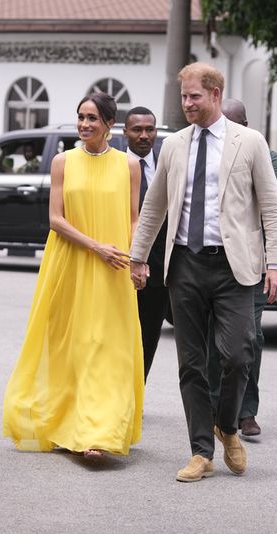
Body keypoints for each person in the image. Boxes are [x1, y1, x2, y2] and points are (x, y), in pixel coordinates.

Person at [130, 63, 277, 482]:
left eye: (194, 96)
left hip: (235, 266)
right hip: (185, 265)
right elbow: (154, 206)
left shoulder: (249, 142)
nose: (187, 104)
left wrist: (276, 263)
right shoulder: (174, 145)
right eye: (183, 97)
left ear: (215, 94)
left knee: (238, 354)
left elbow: (271, 206)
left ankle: (228, 425)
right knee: (191, 363)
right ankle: (201, 450)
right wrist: (138, 257)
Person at [2, 92, 144, 458]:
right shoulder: (63, 162)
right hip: (70, 261)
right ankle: (66, 424)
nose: (84, 124)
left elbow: (133, 217)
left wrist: (136, 259)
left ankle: (99, 433)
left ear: (110, 124)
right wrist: (96, 247)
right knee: (70, 343)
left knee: (107, 346)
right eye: (81, 116)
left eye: (93, 118)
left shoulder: (129, 165)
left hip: (115, 265)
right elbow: (55, 219)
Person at [206, 97, 277, 437]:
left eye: (233, 123)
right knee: (213, 342)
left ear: (246, 126)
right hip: (211, 265)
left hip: (249, 266)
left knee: (247, 342)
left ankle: (246, 411)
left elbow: (273, 211)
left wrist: (274, 264)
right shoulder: (205, 151)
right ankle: (216, 410)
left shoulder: (265, 156)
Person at [123, 106, 168, 381]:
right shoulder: (115, 165)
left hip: (159, 270)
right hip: (121, 266)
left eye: (149, 129)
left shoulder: (166, 165)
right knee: (117, 335)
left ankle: (135, 393)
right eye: (137, 129)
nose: (144, 135)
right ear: (125, 131)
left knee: (148, 335)